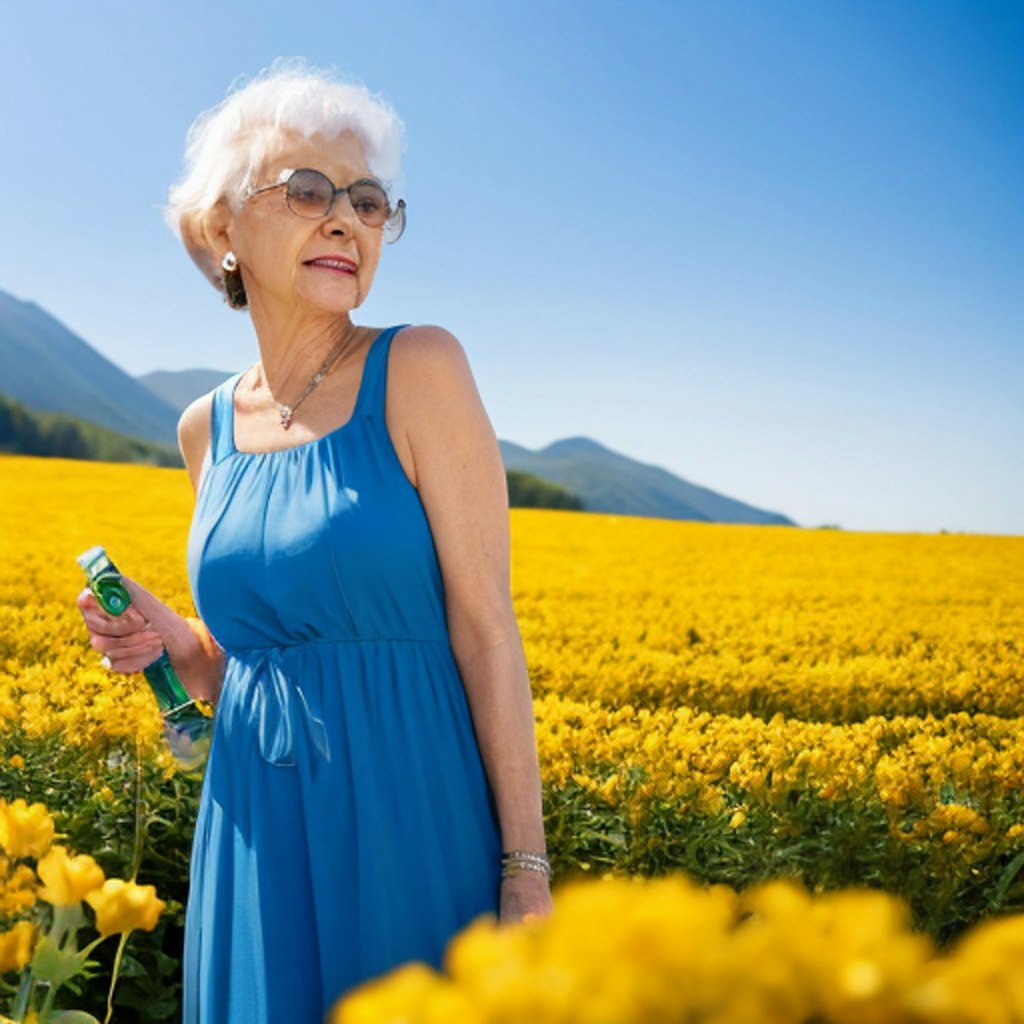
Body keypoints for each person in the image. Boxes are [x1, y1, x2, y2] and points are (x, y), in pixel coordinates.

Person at [76, 59, 552, 1024]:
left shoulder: (420, 367)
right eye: (307, 191)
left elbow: (487, 634)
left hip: (411, 816)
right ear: (223, 229)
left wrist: (527, 871)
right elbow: (253, 659)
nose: (346, 219)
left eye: (369, 202)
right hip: (255, 826)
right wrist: (185, 649)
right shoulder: (201, 428)